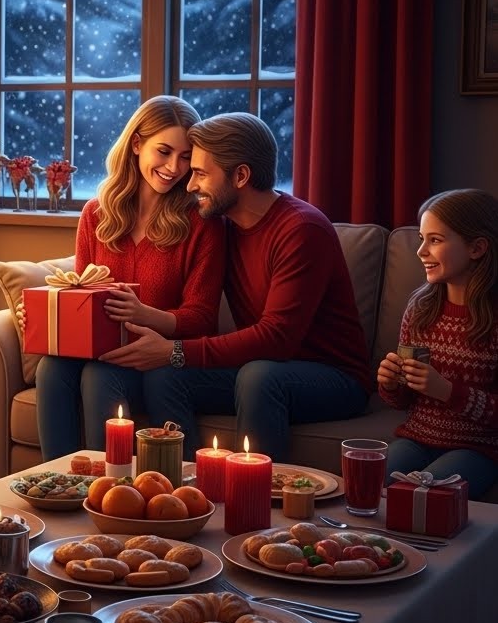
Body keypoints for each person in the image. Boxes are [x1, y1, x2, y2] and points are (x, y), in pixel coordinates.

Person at [102, 112, 371, 461]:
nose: (189, 185)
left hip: (334, 379)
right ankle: (185, 483)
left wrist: (175, 350)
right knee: (165, 376)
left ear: (241, 176)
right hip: (261, 368)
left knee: (259, 376)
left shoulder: (302, 230)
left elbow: (276, 338)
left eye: (200, 173)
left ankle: (256, 490)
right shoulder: (223, 228)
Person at [34, 95, 226, 459]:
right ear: (137, 144)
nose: (174, 167)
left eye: (186, 157)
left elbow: (202, 317)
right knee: (51, 368)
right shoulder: (96, 214)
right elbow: (81, 294)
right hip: (101, 350)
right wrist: (46, 316)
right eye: (164, 151)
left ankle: (107, 485)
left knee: (99, 376)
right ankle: (55, 479)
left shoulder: (202, 223)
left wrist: (143, 315)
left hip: (155, 361)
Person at [377, 189, 498, 494]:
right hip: (417, 439)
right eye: (422, 239)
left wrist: (447, 391)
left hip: (477, 448)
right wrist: (392, 384)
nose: (421, 251)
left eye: (435, 240)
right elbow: (403, 402)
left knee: (424, 497)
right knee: (366, 479)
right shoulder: (421, 308)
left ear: (477, 248)